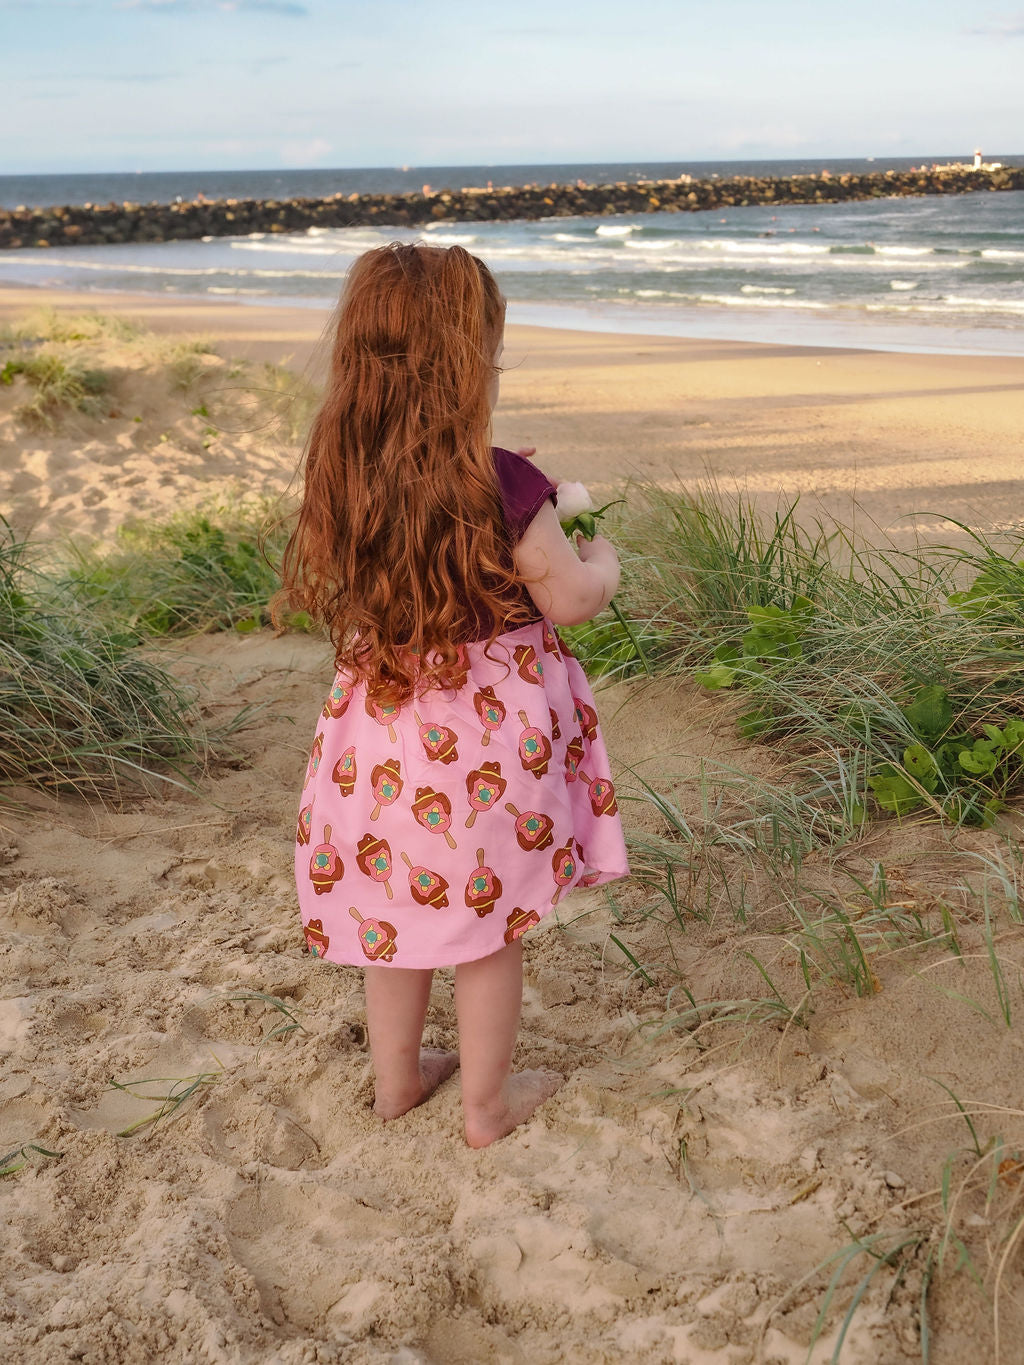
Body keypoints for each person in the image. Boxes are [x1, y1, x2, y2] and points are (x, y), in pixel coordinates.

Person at [275, 243, 628, 1148]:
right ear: (463, 370)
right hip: (483, 749)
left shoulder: (346, 476)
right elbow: (571, 601)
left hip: (378, 737)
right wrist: (596, 554)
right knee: (488, 925)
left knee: (395, 912)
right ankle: (486, 1107)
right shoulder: (500, 480)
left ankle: (397, 1085)